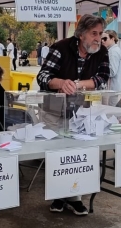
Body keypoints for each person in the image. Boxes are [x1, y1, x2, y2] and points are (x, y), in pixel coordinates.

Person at [36, 14, 110, 216]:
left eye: (100, 33)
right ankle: (59, 195)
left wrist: (77, 84)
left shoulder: (102, 52)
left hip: (82, 113)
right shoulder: (61, 48)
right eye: (93, 33)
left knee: (80, 154)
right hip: (54, 112)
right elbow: (42, 77)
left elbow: (102, 78)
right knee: (58, 155)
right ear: (81, 34)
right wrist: (60, 83)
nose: (98, 38)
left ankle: (76, 196)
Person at [102, 29, 121, 103]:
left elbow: (112, 71)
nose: (102, 41)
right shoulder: (112, 50)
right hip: (113, 89)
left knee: (110, 112)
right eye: (102, 39)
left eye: (105, 39)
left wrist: (100, 70)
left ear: (112, 38)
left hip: (112, 89)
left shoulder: (113, 52)